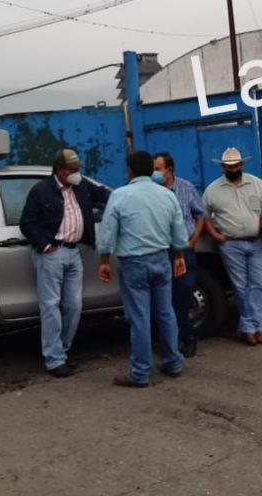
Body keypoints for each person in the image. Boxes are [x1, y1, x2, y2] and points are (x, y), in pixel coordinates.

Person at [97, 150, 188, 388]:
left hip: (134, 264)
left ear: (130, 170)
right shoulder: (167, 195)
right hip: (161, 260)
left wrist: (104, 260)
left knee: (139, 318)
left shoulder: (119, 195)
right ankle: (173, 362)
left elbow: (108, 233)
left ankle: (139, 373)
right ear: (151, 170)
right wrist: (179, 256)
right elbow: (178, 230)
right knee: (166, 313)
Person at [19, 148, 111, 378]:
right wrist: (44, 245)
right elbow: (26, 223)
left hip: (74, 253)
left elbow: (105, 195)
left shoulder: (80, 186)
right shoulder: (41, 191)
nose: (77, 173)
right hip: (52, 253)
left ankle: (62, 351)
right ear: (60, 171)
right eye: (72, 170)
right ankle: (54, 360)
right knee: (50, 306)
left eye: (78, 169)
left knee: (74, 306)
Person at [202, 147, 262, 346]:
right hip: (230, 244)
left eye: (235, 165)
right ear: (222, 168)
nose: (232, 169)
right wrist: (216, 236)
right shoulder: (213, 190)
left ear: (241, 165)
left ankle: (250, 325)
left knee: (260, 283)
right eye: (228, 166)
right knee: (240, 286)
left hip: (256, 242)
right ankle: (255, 327)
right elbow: (203, 216)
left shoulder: (255, 184)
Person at [152, 151, 205, 356]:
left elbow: (200, 215)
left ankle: (187, 335)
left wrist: (192, 241)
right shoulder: (152, 191)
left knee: (184, 292)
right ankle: (171, 341)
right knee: (164, 298)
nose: (154, 174)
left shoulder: (185, 187)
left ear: (169, 170)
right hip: (161, 250)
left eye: (157, 169)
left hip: (184, 250)